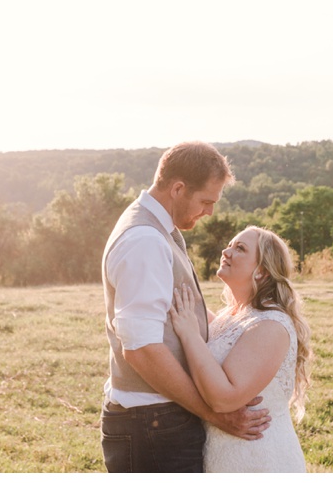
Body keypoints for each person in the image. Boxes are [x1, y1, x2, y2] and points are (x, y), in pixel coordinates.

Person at [100, 141, 271, 473]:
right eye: (206, 202)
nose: (209, 212)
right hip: (153, 426)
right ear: (178, 188)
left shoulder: (158, 230)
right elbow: (140, 348)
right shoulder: (145, 241)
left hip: (159, 420)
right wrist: (214, 413)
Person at [169, 226, 313, 472]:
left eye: (240, 248)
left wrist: (189, 335)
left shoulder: (271, 325)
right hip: (226, 455)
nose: (226, 251)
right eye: (230, 244)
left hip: (259, 460)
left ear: (262, 272)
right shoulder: (232, 316)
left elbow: (224, 399)